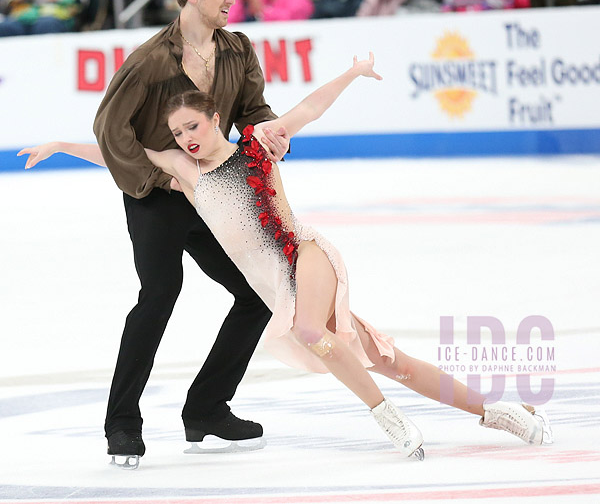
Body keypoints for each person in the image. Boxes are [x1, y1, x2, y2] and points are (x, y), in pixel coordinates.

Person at [19, 53, 554, 461]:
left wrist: (352, 73)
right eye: (178, 133)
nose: (187, 139)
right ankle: (498, 412)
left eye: (194, 127)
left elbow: (308, 109)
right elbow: (122, 156)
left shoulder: (258, 144)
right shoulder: (185, 173)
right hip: (278, 283)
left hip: (306, 254)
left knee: (309, 332)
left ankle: (386, 416)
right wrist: (62, 145)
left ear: (215, 117)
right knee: (390, 360)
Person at [25, 0, 289, 469]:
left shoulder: (237, 49)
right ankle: (122, 422)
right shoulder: (150, 60)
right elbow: (110, 129)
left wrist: (269, 131)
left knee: (260, 292)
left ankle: (207, 407)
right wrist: (158, 179)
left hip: (211, 193)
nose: (232, 0)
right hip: (155, 197)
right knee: (160, 293)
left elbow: (252, 109)